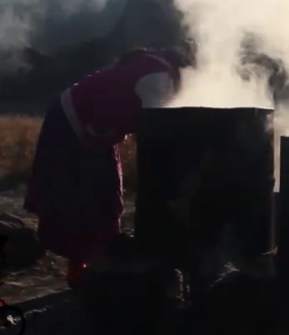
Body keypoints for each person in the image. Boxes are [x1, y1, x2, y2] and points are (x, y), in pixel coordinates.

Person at [23, 45, 193, 290]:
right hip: (70, 121)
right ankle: (86, 273)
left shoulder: (158, 68)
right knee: (82, 199)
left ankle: (92, 268)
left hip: (95, 128)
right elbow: (156, 134)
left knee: (107, 196)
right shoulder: (158, 77)